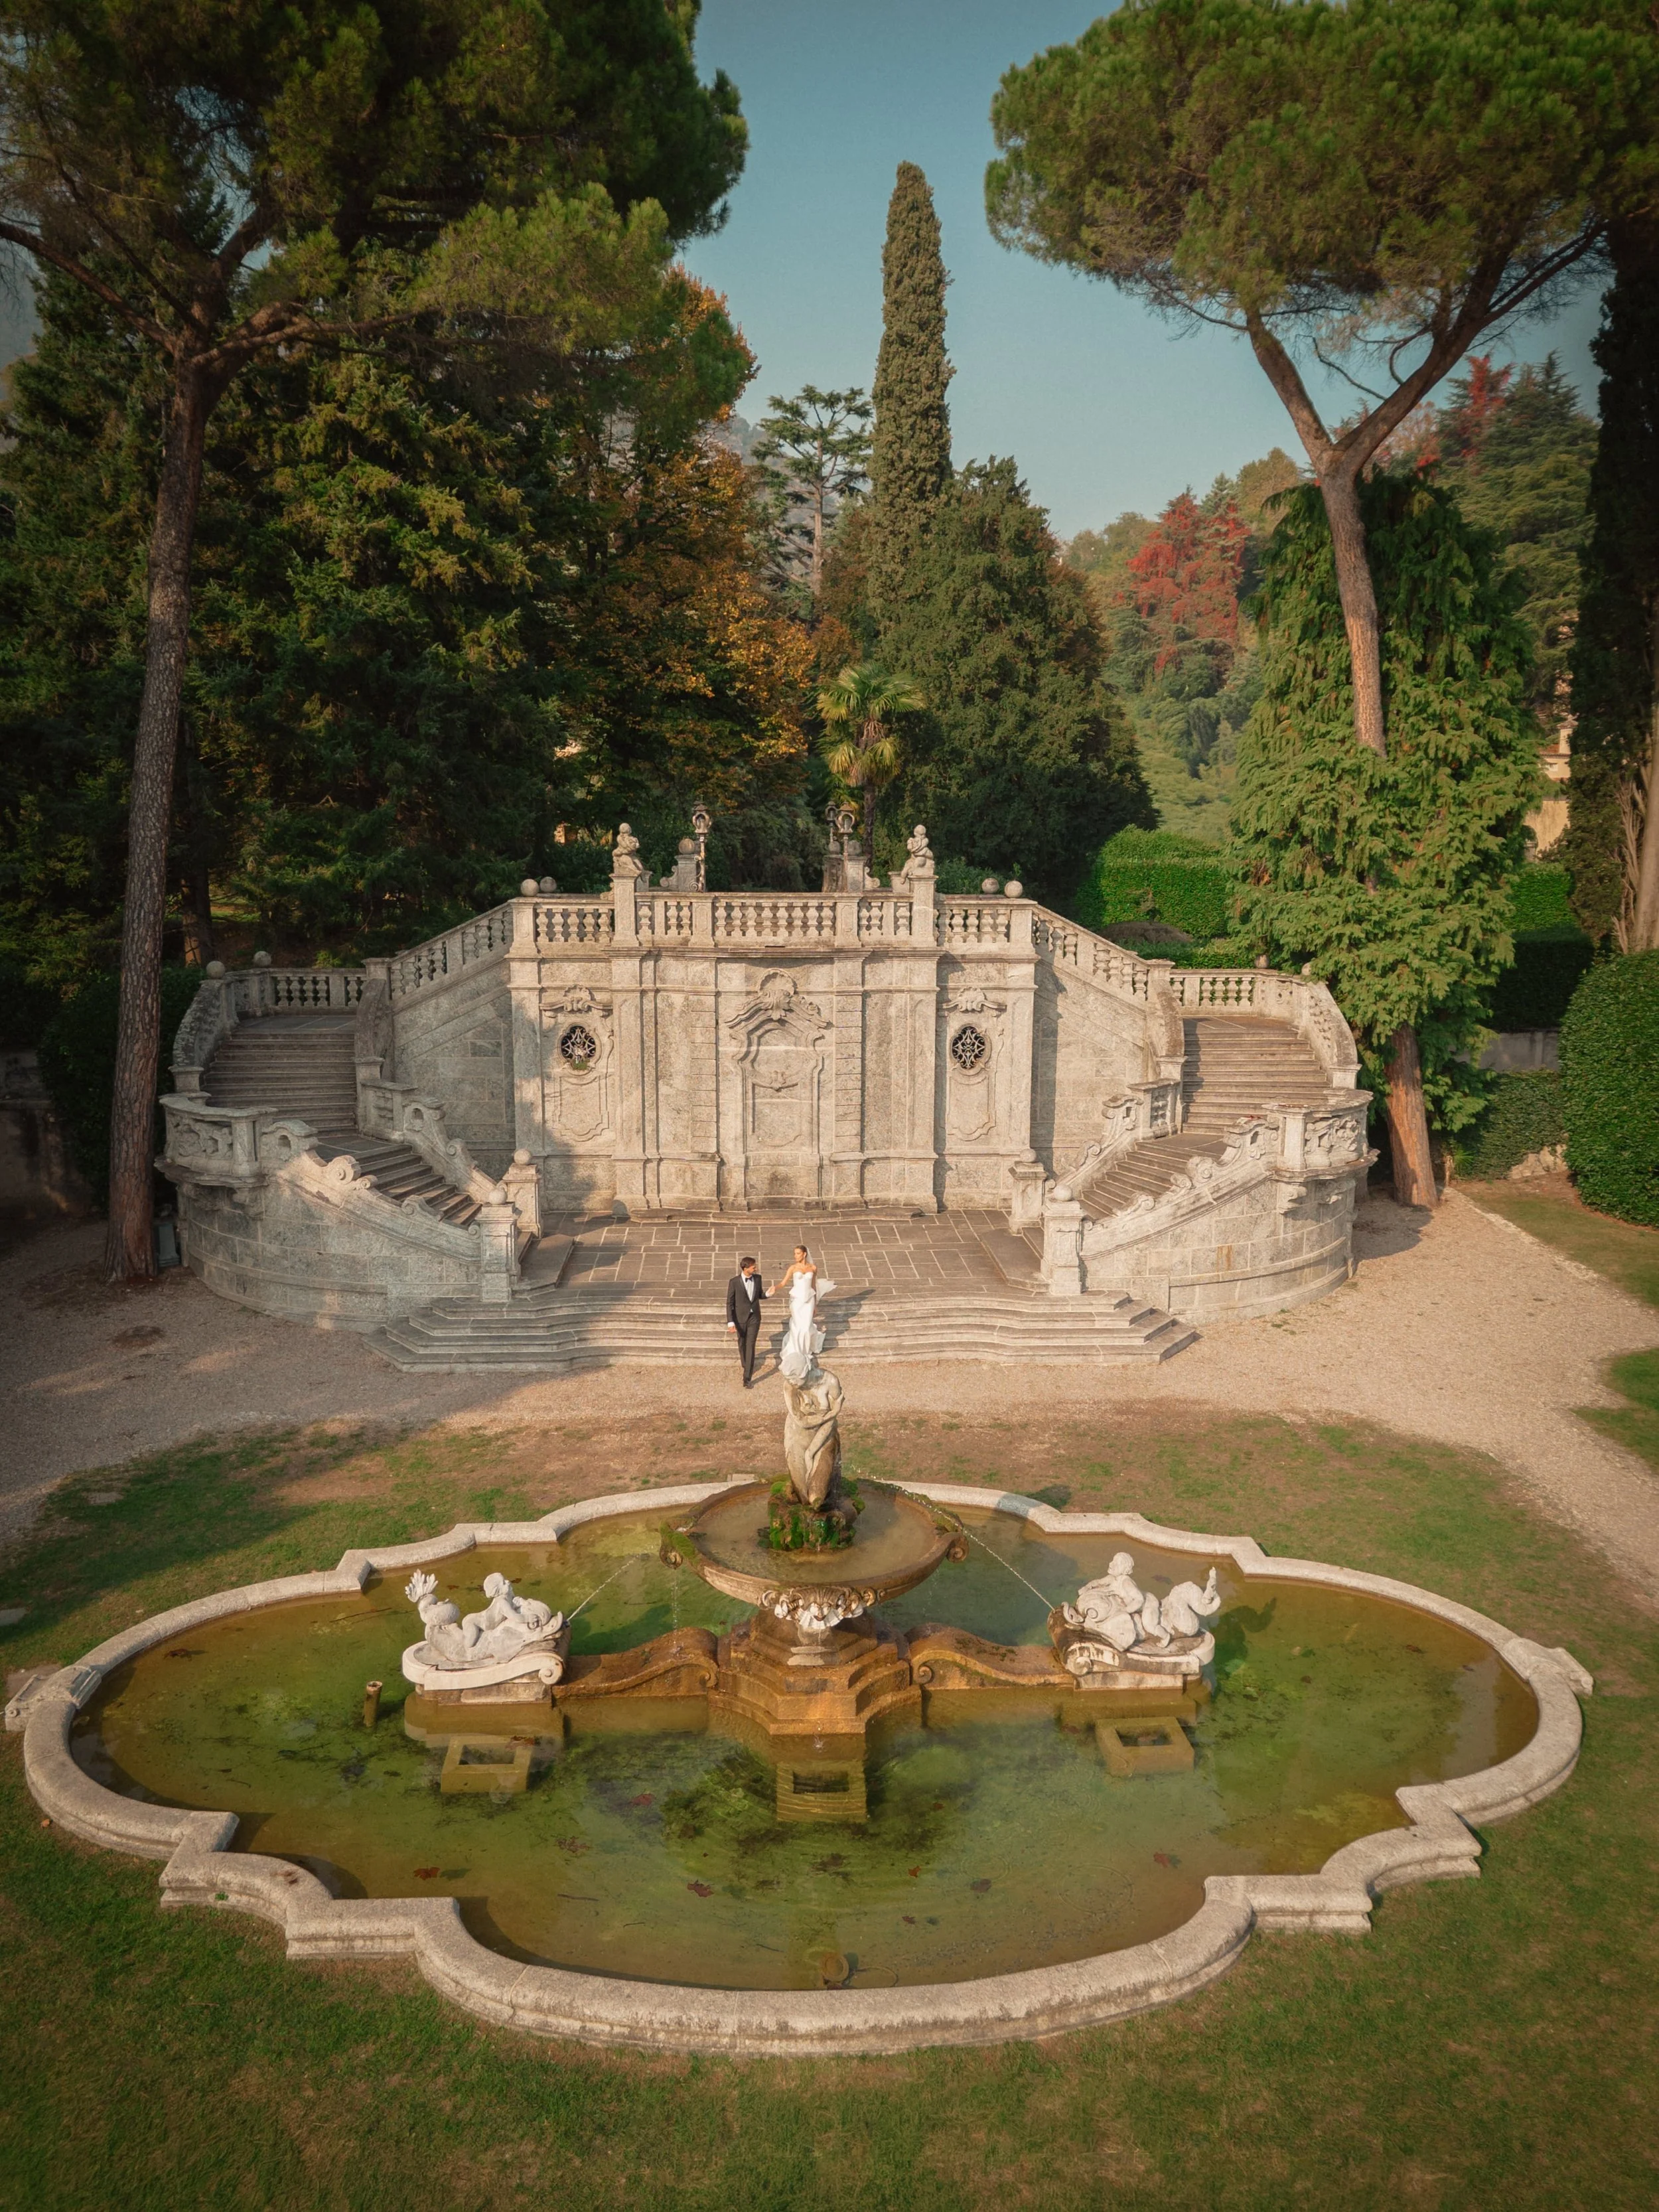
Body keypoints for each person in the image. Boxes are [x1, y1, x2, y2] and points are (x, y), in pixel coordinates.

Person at [770, 1243, 833, 1384]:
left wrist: (815, 1303)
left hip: (809, 1300)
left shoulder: (813, 1268)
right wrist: (775, 1288)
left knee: (806, 1327)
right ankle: (797, 1353)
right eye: (795, 1254)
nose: (796, 1256)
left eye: (798, 1253)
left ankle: (805, 1351)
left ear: (804, 1254)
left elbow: (813, 1286)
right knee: (798, 1327)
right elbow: (783, 1283)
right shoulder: (793, 1268)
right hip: (797, 1301)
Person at [725, 1256, 765, 1387]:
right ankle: (745, 1363)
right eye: (754, 1267)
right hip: (740, 1318)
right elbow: (730, 1303)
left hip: (755, 1317)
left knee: (751, 1344)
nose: (756, 1268)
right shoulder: (734, 1282)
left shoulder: (758, 1278)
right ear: (745, 1268)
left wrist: (768, 1294)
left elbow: (760, 1295)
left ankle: (747, 1378)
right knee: (742, 1342)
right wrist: (730, 1322)